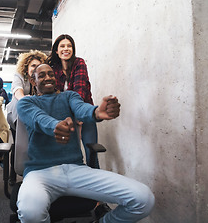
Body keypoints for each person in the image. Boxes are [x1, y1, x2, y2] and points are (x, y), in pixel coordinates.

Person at [16, 64, 155, 223]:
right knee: (30, 213)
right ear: (33, 82)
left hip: (75, 169)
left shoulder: (69, 96)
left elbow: (81, 109)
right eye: (41, 75)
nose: (47, 78)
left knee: (143, 199)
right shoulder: (26, 103)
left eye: (50, 74)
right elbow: (38, 118)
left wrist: (96, 112)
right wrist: (55, 126)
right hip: (40, 173)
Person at [46, 34, 99, 167]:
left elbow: (79, 92)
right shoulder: (54, 69)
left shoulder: (79, 63)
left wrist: (79, 116)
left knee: (91, 152)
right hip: (65, 117)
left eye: (69, 46)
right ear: (56, 51)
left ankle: (95, 183)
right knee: (67, 156)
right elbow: (55, 95)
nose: (66, 49)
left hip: (84, 114)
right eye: (62, 46)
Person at [6, 49, 47, 136]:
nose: (36, 68)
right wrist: (24, 99)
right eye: (33, 66)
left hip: (34, 113)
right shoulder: (19, 75)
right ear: (26, 67)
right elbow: (17, 90)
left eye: (39, 66)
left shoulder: (43, 79)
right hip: (16, 113)